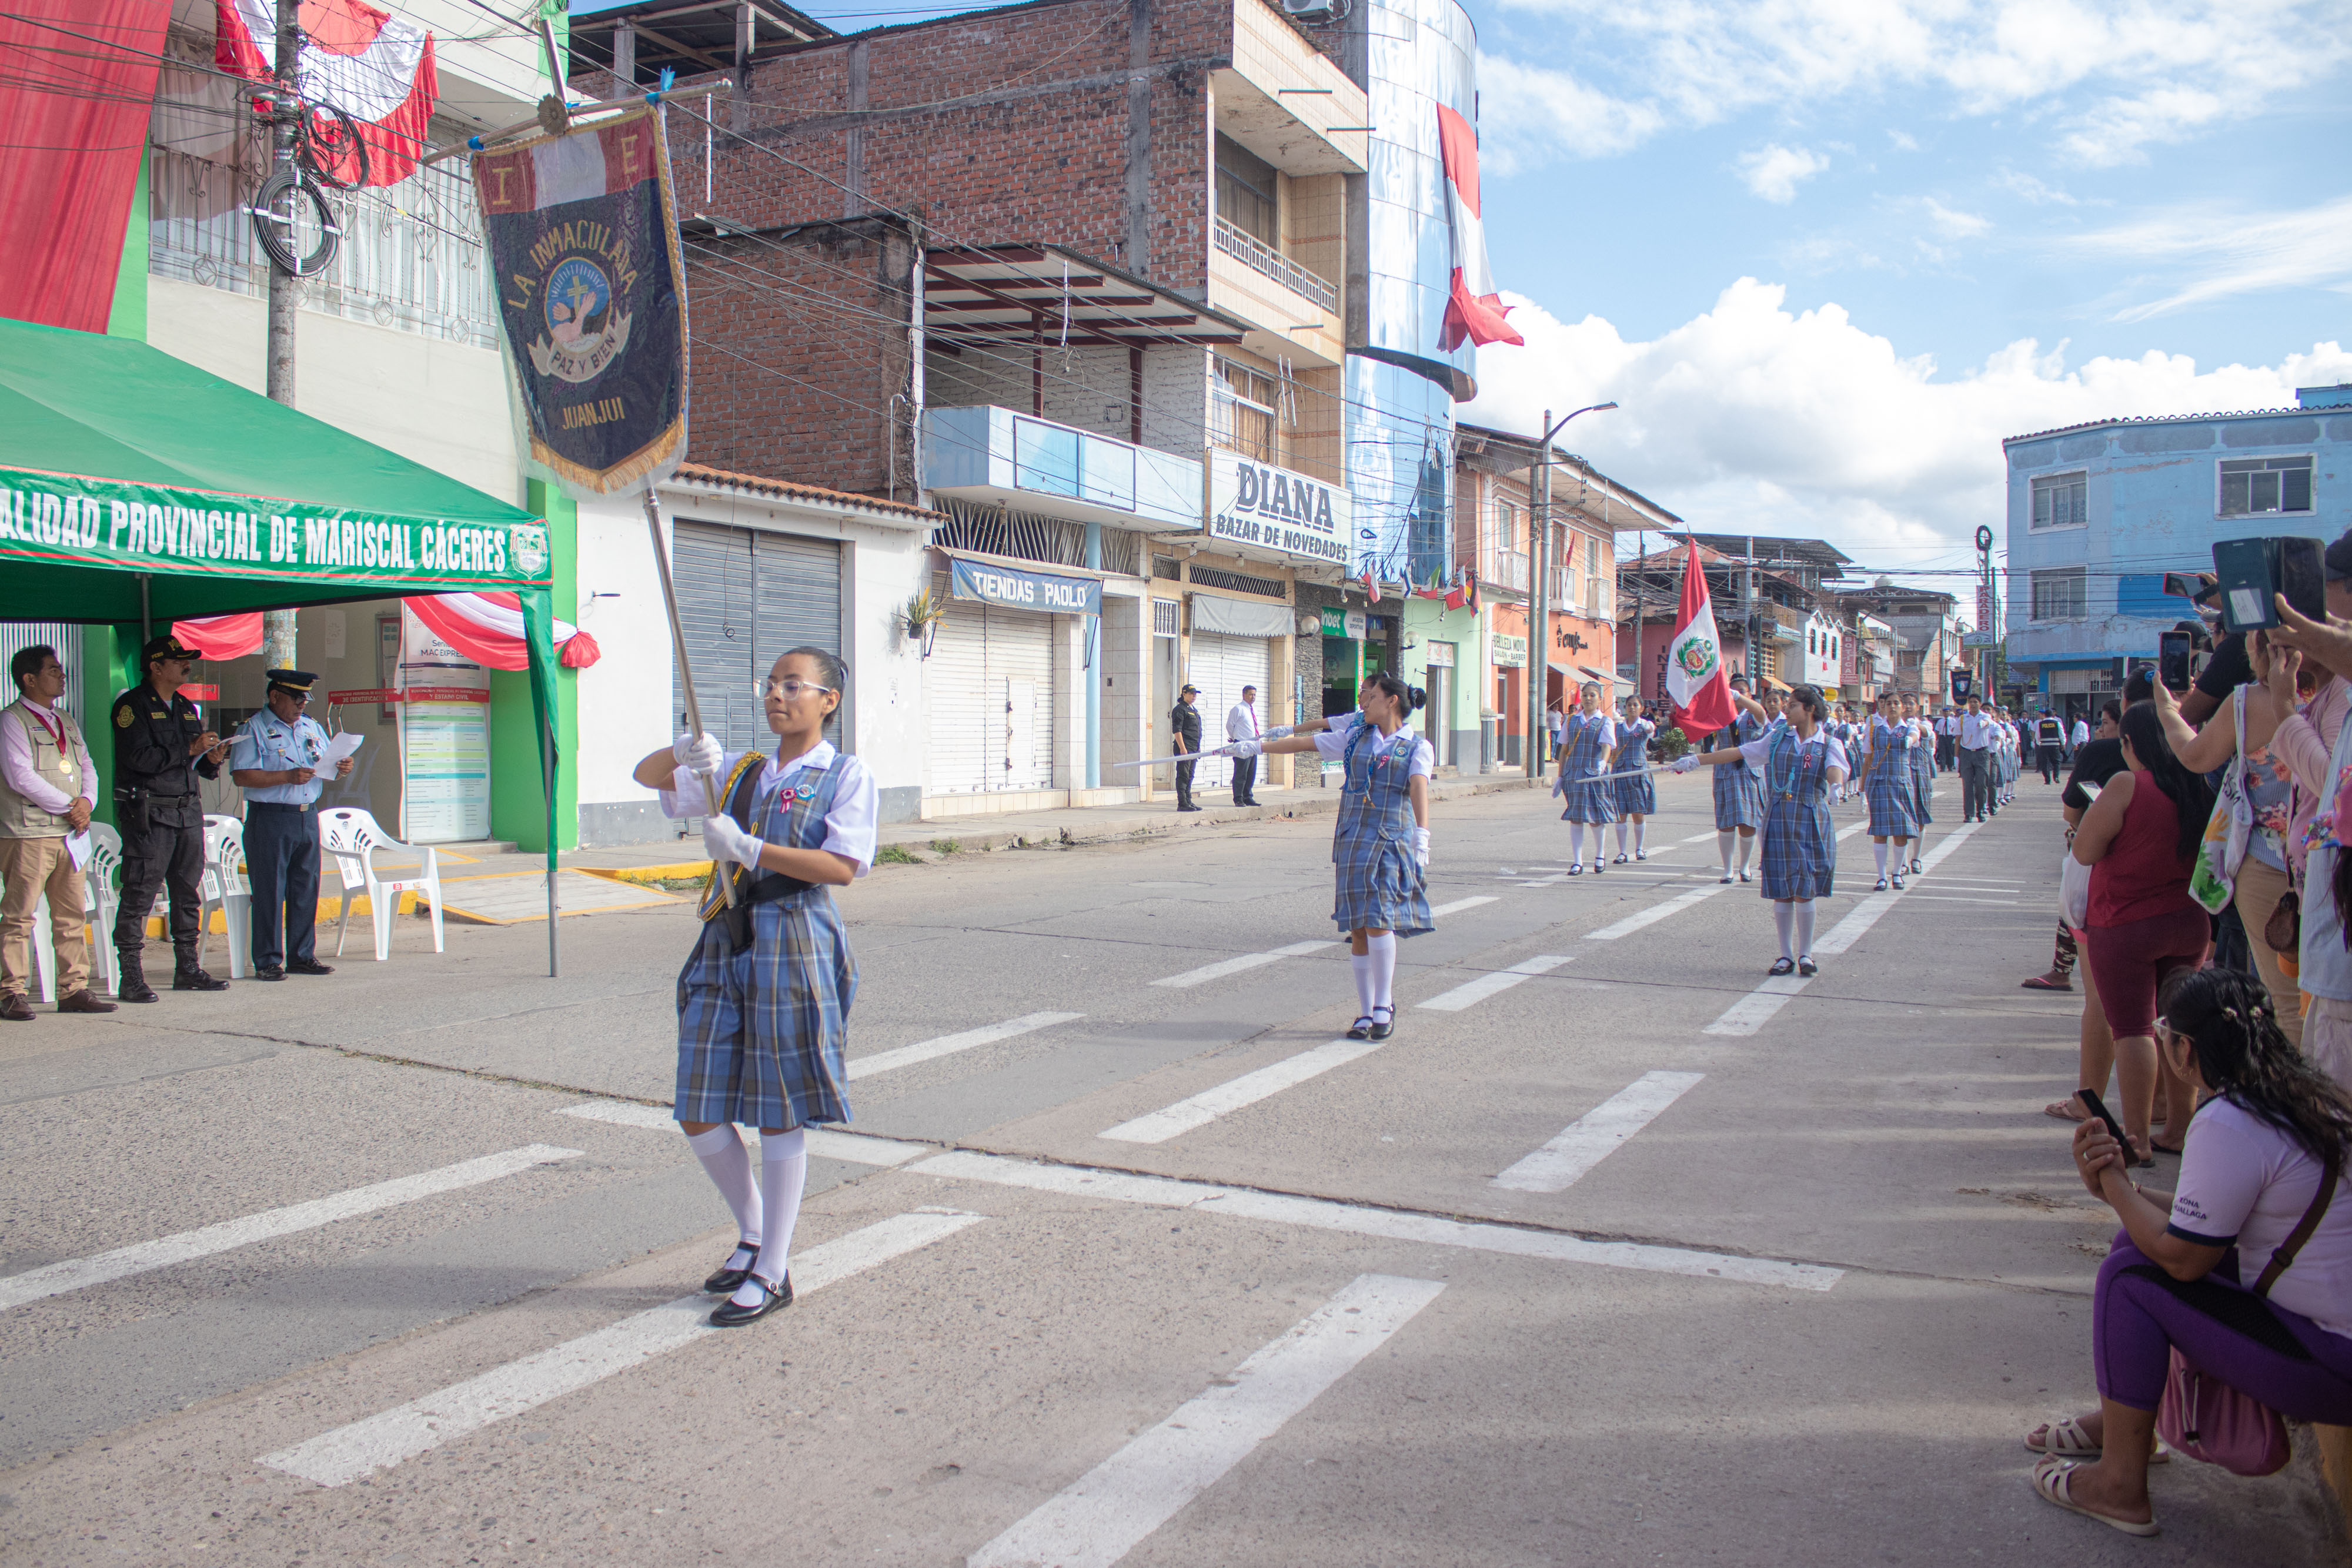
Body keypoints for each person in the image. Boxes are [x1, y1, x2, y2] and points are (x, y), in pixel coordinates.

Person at [2027, 967, 2352, 1537]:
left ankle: (2120, 1485)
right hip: (2328, 1339)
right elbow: (2203, 1219)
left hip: (2330, 1362)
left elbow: (2185, 1259)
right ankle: (2124, 1420)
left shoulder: (2229, 1121)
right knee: (2136, 1241)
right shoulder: (2303, 1097)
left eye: (2164, 1031)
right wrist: (2122, 1187)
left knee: (2132, 1277)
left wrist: (2116, 1188)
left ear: (2183, 1048)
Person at [631, 646, 877, 1327]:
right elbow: (645, 777)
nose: (777, 695)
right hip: (724, 937)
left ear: (828, 700)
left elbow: (841, 866)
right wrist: (684, 752)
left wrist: (749, 850)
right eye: (770, 684)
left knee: (777, 1107)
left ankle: (773, 1269)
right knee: (698, 1100)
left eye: (794, 685)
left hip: (795, 938)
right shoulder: (737, 771)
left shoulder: (844, 774)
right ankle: (752, 1231)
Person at [1244, 672, 1431, 1043]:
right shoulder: (1356, 737)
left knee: (1379, 920)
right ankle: (1365, 1010)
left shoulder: (1416, 747)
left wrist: (1422, 835)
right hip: (1353, 837)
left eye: (1372, 694)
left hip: (1391, 840)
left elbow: (1418, 787)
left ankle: (1383, 1004)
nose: (1365, 698)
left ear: (1391, 701)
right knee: (1358, 926)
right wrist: (1254, 748)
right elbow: (1306, 744)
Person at [2072, 700, 2217, 1160]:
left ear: (2130, 744)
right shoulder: (2199, 784)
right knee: (2178, 1024)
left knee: (2134, 1028)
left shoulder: (2127, 784)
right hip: (2188, 921)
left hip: (2127, 921)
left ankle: (2135, 1137)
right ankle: (2179, 1127)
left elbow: (2085, 850)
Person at [2151, 637, 2310, 1045]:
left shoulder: (2250, 701)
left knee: (2287, 999)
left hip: (2269, 867)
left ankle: (2302, 1104)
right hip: (2330, 862)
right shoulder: (2335, 696)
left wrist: (2168, 709)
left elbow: (2195, 755)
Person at [1674, 683, 1846, 975]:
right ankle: (1786, 955)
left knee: (1805, 888)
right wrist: (1696, 760)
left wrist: (1836, 785)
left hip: (1811, 817)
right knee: (1782, 887)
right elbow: (1740, 752)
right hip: (1779, 814)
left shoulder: (1830, 743)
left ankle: (1806, 954)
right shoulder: (1777, 738)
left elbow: (1834, 769)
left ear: (1810, 710)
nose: (1786, 709)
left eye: (1792, 705)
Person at [109, 634, 230, 1002]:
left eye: (187, 661)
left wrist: (210, 759)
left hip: (187, 810)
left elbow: (192, 764)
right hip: (150, 813)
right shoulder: (131, 706)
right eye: (178, 661)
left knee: (187, 893)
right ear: (156, 667)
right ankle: (130, 975)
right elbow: (140, 759)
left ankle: (188, 968)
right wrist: (189, 749)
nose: (186, 666)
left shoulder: (185, 707)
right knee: (140, 894)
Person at [0, 645, 113, 1019]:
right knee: (20, 916)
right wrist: (71, 807)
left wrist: (87, 803)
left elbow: (87, 765)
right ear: (29, 679)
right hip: (29, 833)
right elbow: (21, 777)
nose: (62, 675)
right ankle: (11, 991)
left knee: (71, 915)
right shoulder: (11, 720)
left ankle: (74, 989)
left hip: (70, 833)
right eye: (53, 670)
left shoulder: (65, 718)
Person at [226, 670, 353, 981]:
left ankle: (302, 955)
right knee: (270, 890)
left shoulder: (310, 727)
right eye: (296, 699)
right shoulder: (254, 729)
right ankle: (268, 960)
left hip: (307, 815)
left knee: (305, 888)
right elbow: (241, 775)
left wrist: (342, 767)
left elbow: (324, 766)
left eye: (304, 700)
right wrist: (285, 776)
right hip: (270, 818)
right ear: (275, 697)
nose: (301, 706)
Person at [1550, 682, 1618, 875]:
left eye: (1593, 695)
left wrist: (1603, 763)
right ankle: (1577, 862)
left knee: (1596, 818)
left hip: (1595, 775)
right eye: (1585, 695)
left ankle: (1599, 855)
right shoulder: (1571, 720)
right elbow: (1564, 749)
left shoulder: (1605, 721)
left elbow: (1606, 746)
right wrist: (1560, 776)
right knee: (1576, 817)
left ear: (1600, 699)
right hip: (1574, 774)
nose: (1588, 699)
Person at [1707, 674, 1769, 884]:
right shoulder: (1721, 714)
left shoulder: (1752, 716)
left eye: (1741, 691)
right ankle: (1727, 869)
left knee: (1748, 822)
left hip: (1749, 771)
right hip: (1725, 770)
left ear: (1749, 694)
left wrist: (1741, 700)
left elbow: (1762, 714)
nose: (1736, 696)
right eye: (1732, 692)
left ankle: (1745, 867)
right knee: (1726, 822)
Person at [1859, 690, 1917, 891]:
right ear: (1882, 707)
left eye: (1896, 703)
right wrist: (1863, 788)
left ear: (1903, 707)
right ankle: (1881, 877)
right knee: (1880, 831)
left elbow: (1916, 735)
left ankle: (1897, 873)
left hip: (1901, 783)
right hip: (1880, 782)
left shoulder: (1909, 727)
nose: (1892, 707)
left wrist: (1910, 739)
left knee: (1901, 832)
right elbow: (1867, 758)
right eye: (1889, 704)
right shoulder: (1875, 729)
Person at [1610, 694, 1657, 861]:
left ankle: (1639, 849)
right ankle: (1622, 852)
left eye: (1635, 705)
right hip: (1621, 771)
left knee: (1638, 813)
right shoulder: (1619, 727)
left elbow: (1651, 730)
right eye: (1629, 705)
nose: (1631, 708)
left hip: (1638, 771)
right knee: (1621, 813)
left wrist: (1648, 726)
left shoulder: (1645, 725)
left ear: (1641, 708)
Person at [1957, 694, 1996, 823]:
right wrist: (1956, 758)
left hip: (1982, 754)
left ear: (1980, 704)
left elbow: (1988, 723)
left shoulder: (1985, 716)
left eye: (1975, 702)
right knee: (1967, 785)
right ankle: (1968, 813)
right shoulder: (1963, 719)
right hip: (1966, 754)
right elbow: (1958, 737)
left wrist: (1983, 723)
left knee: (1981, 784)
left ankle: (1980, 810)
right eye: (1971, 702)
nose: (1973, 704)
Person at [1225, 684, 1263, 807]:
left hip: (1253, 745)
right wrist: (1235, 738)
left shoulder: (1253, 710)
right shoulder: (1238, 709)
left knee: (1251, 772)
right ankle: (1239, 798)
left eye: (1255, 695)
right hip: (1242, 744)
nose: (1253, 697)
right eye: (1251, 694)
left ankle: (1248, 796)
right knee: (1241, 772)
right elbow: (1230, 725)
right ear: (1244, 695)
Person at [1170, 683, 1202, 813]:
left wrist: (1198, 747)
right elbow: (1177, 731)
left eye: (1195, 694)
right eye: (1191, 694)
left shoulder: (1193, 709)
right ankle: (1182, 803)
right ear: (1184, 694)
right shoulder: (1180, 709)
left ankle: (1189, 801)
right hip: (1185, 748)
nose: (1194, 696)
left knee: (1190, 775)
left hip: (1193, 748)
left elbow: (1197, 730)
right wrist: (1183, 749)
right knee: (1183, 775)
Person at [2036, 708, 2066, 784]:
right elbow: (2062, 734)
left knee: (2045, 762)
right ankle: (2056, 777)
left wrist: (2039, 743)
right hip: (2055, 745)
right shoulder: (2057, 723)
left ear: (2045, 715)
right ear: (2053, 715)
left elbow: (2037, 735)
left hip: (2044, 745)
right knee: (2056, 762)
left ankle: (2047, 780)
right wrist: (2063, 743)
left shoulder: (2041, 724)